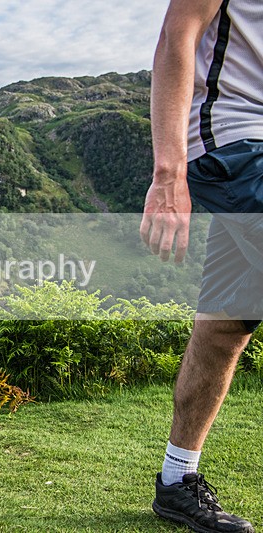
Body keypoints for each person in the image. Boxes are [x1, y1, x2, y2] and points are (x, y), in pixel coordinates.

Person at [140, 1, 261, 531]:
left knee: (225, 328)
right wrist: (168, 172)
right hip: (237, 140)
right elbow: (178, 32)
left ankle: (176, 481)